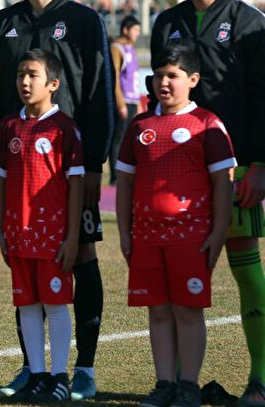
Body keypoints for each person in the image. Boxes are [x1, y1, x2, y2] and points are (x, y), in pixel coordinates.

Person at [0, 0, 113, 399]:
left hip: (71, 170)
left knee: (81, 254)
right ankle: (32, 367)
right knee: (25, 263)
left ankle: (85, 367)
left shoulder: (82, 20)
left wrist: (96, 164)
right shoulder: (2, 23)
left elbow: (100, 92)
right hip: (19, 171)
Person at [150, 0, 265, 406]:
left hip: (233, 171)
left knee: (244, 267)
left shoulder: (249, 24)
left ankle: (260, 380)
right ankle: (178, 382)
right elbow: (157, 97)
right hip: (175, 172)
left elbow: (262, 99)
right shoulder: (166, 23)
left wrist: (258, 163)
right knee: (176, 275)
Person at [115, 45, 234, 407]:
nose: (163, 83)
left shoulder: (207, 124)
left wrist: (218, 232)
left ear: (193, 80)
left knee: (186, 309)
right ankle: (164, 383)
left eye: (172, 76)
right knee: (159, 310)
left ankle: (188, 385)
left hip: (191, 237)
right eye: (158, 76)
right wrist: (124, 232)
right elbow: (124, 184)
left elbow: (223, 182)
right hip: (147, 237)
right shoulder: (140, 125)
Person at [0, 49, 84, 402]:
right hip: (18, 233)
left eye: (32, 75)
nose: (24, 82)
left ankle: (60, 376)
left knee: (55, 304)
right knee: (26, 305)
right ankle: (38, 375)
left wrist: (72, 237)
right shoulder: (8, 126)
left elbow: (75, 186)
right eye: (20, 75)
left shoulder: (65, 129)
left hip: (53, 237)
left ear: (53, 84)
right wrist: (1, 230)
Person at [108, 15, 141, 185]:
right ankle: (114, 176)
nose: (137, 34)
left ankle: (126, 173)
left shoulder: (132, 49)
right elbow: (114, 76)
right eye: (135, 30)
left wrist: (139, 103)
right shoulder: (116, 48)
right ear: (125, 29)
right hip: (123, 101)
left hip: (133, 100)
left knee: (130, 139)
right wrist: (120, 103)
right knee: (118, 138)